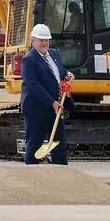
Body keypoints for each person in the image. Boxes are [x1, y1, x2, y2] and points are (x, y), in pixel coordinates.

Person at [20, 23, 75, 165]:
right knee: (34, 144)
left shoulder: (54, 54)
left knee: (58, 143)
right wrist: (52, 102)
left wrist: (67, 74)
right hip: (36, 109)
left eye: (46, 40)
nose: (44, 43)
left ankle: (61, 172)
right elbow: (33, 85)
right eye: (41, 40)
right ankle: (32, 174)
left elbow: (59, 72)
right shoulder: (28, 60)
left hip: (55, 108)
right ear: (33, 41)